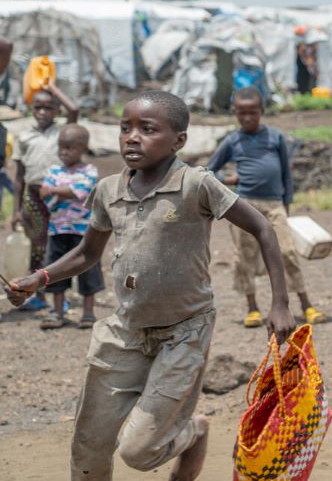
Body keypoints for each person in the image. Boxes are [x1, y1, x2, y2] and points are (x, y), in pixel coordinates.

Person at [4, 90, 295, 481]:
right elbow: (87, 254)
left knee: (140, 450)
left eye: (147, 129)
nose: (132, 137)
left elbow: (262, 226)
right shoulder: (108, 190)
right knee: (88, 447)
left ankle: (193, 433)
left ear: (179, 140)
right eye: (125, 129)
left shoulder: (197, 185)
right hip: (124, 331)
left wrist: (280, 303)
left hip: (183, 333)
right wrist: (39, 278)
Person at [207, 86, 324, 327]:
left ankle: (306, 305)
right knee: (245, 256)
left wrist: (287, 205)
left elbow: (286, 175)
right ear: (235, 113)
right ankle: (252, 308)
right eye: (242, 113)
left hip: (274, 204)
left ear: (262, 111)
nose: (247, 117)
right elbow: (209, 172)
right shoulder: (233, 141)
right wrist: (228, 181)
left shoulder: (276, 137)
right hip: (244, 206)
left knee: (287, 252)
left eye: (252, 112)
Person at [10, 85, 79, 311]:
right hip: (33, 197)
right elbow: (19, 177)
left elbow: (74, 109)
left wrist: (53, 89)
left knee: (59, 247)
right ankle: (37, 295)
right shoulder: (25, 136)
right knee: (37, 248)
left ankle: (60, 296)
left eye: (48, 107)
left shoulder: (63, 132)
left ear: (57, 110)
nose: (42, 112)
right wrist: (16, 210)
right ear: (31, 109)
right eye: (37, 107)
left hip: (60, 198)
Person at [38, 124, 103, 330]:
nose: (64, 152)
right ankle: (57, 313)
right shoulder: (54, 170)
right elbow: (43, 192)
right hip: (58, 230)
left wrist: (56, 190)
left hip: (83, 232)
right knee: (55, 271)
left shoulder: (89, 170)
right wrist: (61, 191)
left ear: (83, 149)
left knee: (88, 271)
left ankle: (88, 313)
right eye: (61, 147)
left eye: (70, 148)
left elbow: (80, 191)